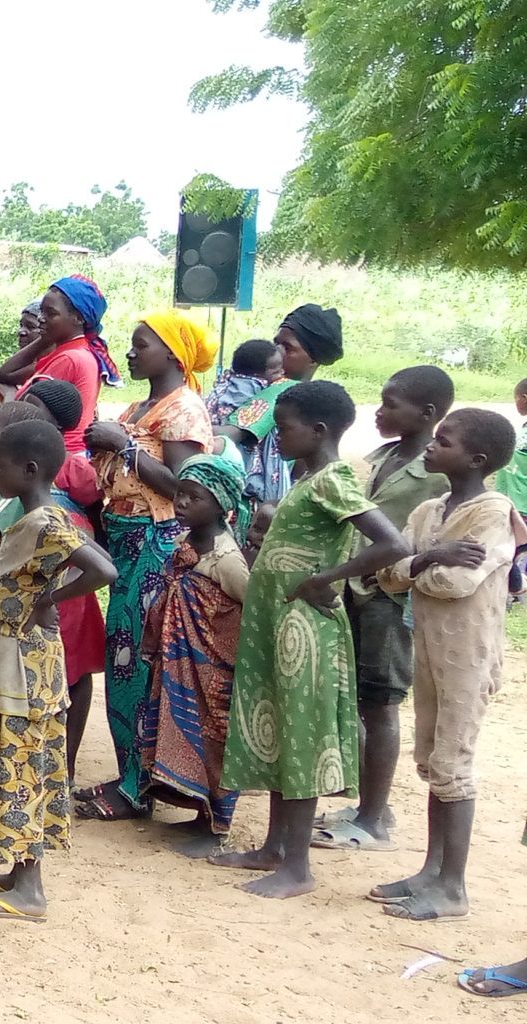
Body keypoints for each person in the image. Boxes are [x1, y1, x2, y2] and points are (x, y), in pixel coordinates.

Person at [211, 381, 410, 899]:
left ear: (319, 430)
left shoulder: (333, 480)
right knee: (279, 725)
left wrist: (325, 579)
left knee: (299, 732)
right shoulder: (309, 477)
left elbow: (391, 542)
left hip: (304, 625)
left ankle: (297, 867)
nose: (277, 437)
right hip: (277, 622)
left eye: (285, 428)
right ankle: (275, 847)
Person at [0, 418, 117, 923]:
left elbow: (103, 570)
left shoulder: (47, 521)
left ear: (28, 469)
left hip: (27, 668)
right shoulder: (36, 517)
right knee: (14, 763)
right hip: (17, 663)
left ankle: (29, 891)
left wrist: (50, 596)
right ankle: (18, 871)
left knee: (24, 766)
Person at [369, 408, 521, 922]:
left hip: (467, 655)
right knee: (432, 757)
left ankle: (452, 886)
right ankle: (431, 870)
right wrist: (432, 558)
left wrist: (420, 565)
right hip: (431, 647)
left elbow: (457, 584)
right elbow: (390, 575)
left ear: (477, 459)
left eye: (445, 442)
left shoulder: (492, 512)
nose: (432, 447)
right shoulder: (431, 509)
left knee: (453, 763)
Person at [75, 310, 216, 819]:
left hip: (156, 543)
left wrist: (123, 445)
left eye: (140, 345)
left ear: (173, 355)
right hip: (126, 540)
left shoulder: (184, 411)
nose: (131, 353)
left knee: (137, 658)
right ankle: (131, 775)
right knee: (124, 658)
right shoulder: (143, 404)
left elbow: (184, 487)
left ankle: (137, 786)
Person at [316, 365, 454, 852]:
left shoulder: (439, 475)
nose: (380, 411)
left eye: (391, 404)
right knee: (357, 697)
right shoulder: (383, 457)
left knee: (381, 701)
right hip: (357, 590)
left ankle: (374, 818)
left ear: (428, 413)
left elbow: (443, 539)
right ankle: (367, 805)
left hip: (391, 600)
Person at [143, 452, 251, 851]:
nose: (182, 504)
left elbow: (247, 610)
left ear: (222, 504)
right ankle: (197, 812)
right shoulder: (185, 543)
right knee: (186, 733)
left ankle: (216, 827)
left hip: (214, 669)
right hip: (182, 665)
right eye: (181, 494)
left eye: (195, 497)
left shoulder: (227, 560)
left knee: (215, 739)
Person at [222, 304, 345, 505]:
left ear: (313, 359)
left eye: (287, 347)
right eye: (276, 343)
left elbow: (230, 434)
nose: (276, 352)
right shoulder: (318, 402)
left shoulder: (280, 391)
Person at [0, 276, 114, 453]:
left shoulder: (70, 359)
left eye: (50, 313)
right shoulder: (69, 352)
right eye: (41, 312)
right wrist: (44, 338)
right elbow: (4, 375)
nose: (41, 318)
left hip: (56, 457)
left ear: (78, 318)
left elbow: (22, 414)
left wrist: (10, 395)